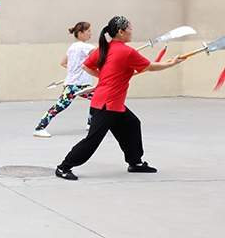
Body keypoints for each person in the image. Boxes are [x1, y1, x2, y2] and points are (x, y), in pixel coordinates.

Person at [55, 16, 183, 180]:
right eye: (129, 28)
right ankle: (63, 167)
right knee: (93, 139)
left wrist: (104, 76)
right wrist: (172, 63)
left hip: (111, 102)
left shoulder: (105, 47)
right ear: (121, 32)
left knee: (132, 124)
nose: (131, 32)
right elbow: (151, 67)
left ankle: (135, 162)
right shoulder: (127, 51)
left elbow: (85, 66)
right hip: (107, 104)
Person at [33, 21, 95, 138]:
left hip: (81, 84)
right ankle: (39, 128)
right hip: (74, 85)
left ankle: (90, 123)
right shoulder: (85, 47)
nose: (90, 33)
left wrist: (75, 70)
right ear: (81, 33)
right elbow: (102, 55)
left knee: (98, 98)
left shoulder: (72, 48)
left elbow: (63, 63)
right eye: (88, 31)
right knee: (59, 106)